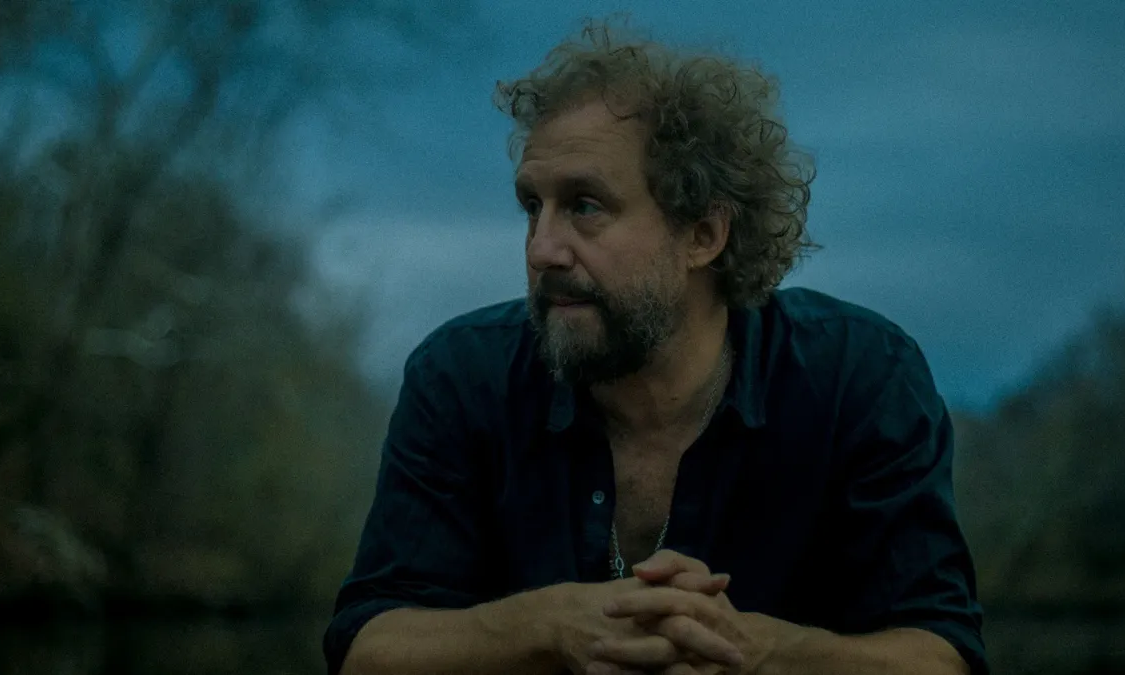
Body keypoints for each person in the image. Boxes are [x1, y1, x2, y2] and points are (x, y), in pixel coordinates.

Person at [324, 19, 986, 675]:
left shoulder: (861, 379)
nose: (542, 248)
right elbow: (368, 647)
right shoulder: (462, 377)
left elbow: (940, 655)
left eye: (584, 206)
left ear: (702, 235)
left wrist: (756, 652)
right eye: (532, 207)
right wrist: (549, 626)